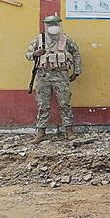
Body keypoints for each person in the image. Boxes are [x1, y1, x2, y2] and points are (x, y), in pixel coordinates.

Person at [25, 15, 82, 143]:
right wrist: (34, 54)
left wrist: (76, 71)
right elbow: (27, 54)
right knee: (43, 105)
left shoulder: (66, 40)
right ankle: (40, 133)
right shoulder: (40, 40)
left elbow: (76, 54)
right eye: (50, 25)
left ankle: (69, 131)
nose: (53, 27)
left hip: (61, 77)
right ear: (46, 26)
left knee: (64, 104)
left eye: (56, 24)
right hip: (43, 77)